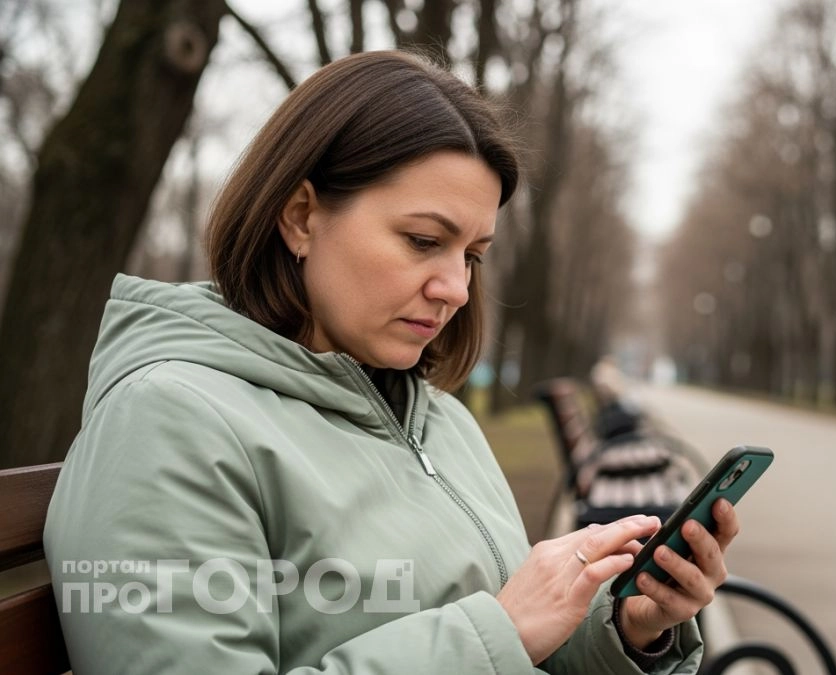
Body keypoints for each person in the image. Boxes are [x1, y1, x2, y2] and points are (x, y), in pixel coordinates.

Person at [43, 50, 741, 674]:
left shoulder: (439, 421)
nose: (457, 288)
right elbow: (496, 637)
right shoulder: (169, 423)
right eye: (421, 240)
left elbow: (511, 640)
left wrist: (625, 627)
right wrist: (497, 632)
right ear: (300, 215)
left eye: (471, 255)